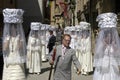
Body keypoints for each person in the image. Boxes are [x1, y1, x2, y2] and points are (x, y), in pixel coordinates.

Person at [93, 12, 120, 80]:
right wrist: (103, 46)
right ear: (105, 36)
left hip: (112, 65)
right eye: (107, 37)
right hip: (103, 64)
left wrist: (114, 46)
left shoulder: (113, 44)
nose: (109, 38)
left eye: (110, 36)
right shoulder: (101, 43)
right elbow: (98, 53)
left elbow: (117, 54)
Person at [2, 8, 26, 80]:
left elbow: (20, 48)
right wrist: (8, 39)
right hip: (9, 61)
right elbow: (4, 48)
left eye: (14, 27)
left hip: (17, 61)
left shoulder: (20, 37)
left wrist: (19, 39)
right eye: (11, 27)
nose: (12, 29)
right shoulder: (7, 37)